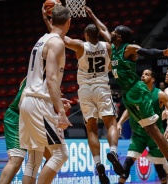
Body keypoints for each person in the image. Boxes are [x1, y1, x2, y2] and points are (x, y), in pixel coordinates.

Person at [85, 6, 168, 184]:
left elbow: (147, 51)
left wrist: (163, 53)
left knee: (154, 130)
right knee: (150, 129)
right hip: (129, 95)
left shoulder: (128, 48)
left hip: (137, 91)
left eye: (114, 31)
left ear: (119, 36)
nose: (110, 32)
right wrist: (92, 15)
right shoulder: (113, 47)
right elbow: (102, 29)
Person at [42, 10, 123, 183]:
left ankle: (98, 163)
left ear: (86, 35)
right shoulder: (107, 46)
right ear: (98, 34)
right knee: (111, 124)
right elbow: (107, 35)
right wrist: (94, 16)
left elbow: (60, 38)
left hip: (85, 90)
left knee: (91, 128)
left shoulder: (80, 45)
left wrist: (48, 21)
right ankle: (114, 151)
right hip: (102, 87)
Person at [19, 5, 72, 184]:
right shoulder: (56, 42)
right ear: (68, 22)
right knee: (60, 154)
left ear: (51, 20)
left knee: (34, 158)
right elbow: (50, 79)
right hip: (39, 104)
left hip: (28, 100)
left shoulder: (42, 39)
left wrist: (55, 97)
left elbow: (42, 79)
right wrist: (61, 112)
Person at [117, 69, 168, 184]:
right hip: (138, 134)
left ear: (153, 79)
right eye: (142, 74)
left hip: (155, 136)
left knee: (159, 168)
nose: (143, 76)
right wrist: (119, 123)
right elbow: (129, 110)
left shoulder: (159, 94)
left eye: (146, 74)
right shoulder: (136, 92)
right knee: (128, 162)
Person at [0, 77, 57, 184]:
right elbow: (27, 99)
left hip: (32, 118)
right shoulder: (41, 73)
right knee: (16, 160)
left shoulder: (42, 73)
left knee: (53, 157)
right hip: (18, 116)